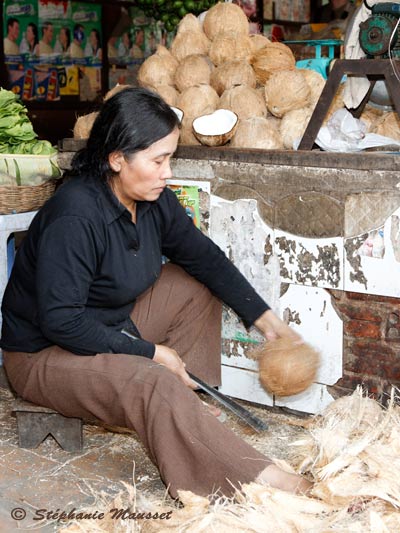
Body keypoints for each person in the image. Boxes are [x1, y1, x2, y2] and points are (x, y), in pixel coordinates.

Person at [1, 87, 312, 499]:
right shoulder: (74, 215)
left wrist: (267, 320)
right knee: (152, 378)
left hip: (109, 322)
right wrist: (152, 354)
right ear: (117, 159)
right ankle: (262, 479)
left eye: (171, 158)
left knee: (190, 285)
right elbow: (62, 321)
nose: (167, 172)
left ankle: (186, 406)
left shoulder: (152, 199)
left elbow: (204, 257)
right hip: (43, 354)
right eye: (158, 160)